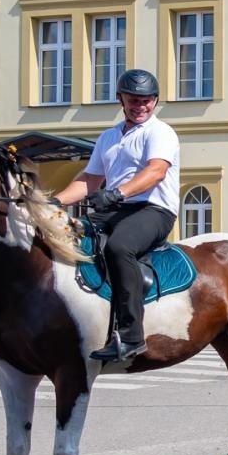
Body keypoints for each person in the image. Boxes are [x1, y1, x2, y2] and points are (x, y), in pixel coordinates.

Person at [54, 69, 181, 361]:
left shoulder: (160, 132)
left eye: (147, 100)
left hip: (154, 210)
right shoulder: (109, 137)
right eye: (133, 100)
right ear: (120, 99)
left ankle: (132, 336)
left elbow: (156, 171)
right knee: (65, 231)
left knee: (119, 247)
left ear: (155, 101)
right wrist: (54, 201)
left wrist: (116, 193)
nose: (141, 106)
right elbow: (90, 179)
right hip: (116, 210)